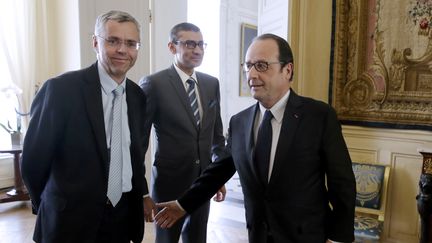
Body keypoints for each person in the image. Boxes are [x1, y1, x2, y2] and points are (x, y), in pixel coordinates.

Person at [154, 33, 357, 243]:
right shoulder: (239, 122)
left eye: (261, 65)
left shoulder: (319, 116)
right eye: (248, 65)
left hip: (307, 236)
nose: (251, 74)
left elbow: (342, 183)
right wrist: (183, 204)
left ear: (287, 70)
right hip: (258, 235)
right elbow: (218, 172)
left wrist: (338, 237)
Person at [21, 10, 154, 243]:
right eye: (113, 41)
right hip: (69, 221)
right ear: (95, 42)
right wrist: (50, 206)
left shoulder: (137, 96)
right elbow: (34, 161)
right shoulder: (60, 90)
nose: (123, 50)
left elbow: (134, 155)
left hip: (122, 218)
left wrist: (142, 193)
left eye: (131, 43)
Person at [139, 22, 228, 243]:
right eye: (189, 44)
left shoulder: (211, 84)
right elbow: (139, 143)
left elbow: (217, 135)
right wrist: (141, 192)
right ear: (172, 47)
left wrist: (218, 175)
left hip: (203, 181)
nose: (197, 50)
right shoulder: (154, 84)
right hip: (169, 183)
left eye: (200, 44)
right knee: (167, 239)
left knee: (197, 238)